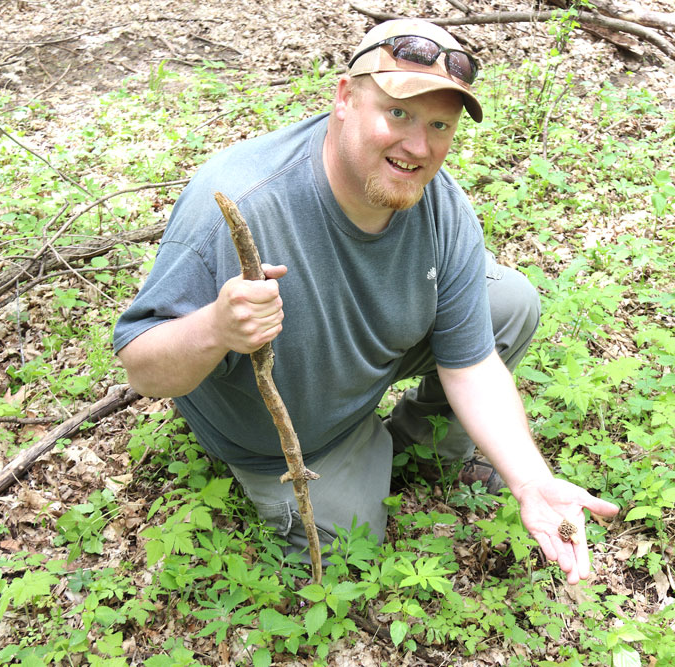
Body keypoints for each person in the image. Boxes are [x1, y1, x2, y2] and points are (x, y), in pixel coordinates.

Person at [113, 18, 618, 584]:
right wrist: (216, 329)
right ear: (345, 98)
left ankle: (417, 448)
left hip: (356, 369)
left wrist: (530, 481)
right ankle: (343, 460)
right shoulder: (245, 199)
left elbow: (472, 364)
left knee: (511, 300)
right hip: (282, 437)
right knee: (347, 558)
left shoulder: (442, 207)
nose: (418, 146)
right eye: (397, 113)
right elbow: (142, 368)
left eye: (439, 124)